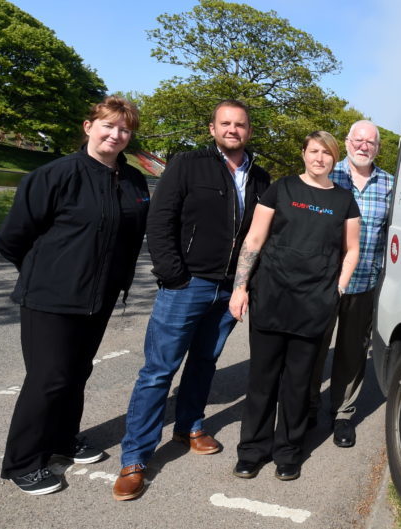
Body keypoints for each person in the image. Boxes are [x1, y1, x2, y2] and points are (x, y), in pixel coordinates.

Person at [113, 100, 271, 500]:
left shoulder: (260, 177)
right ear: (212, 128)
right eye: (226, 123)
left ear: (249, 130)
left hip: (230, 287)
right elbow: (161, 220)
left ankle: (189, 426)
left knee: (204, 362)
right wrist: (174, 276)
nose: (233, 129)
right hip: (188, 284)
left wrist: (245, 283)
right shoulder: (187, 164)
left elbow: (260, 235)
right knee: (159, 370)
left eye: (241, 124)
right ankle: (134, 457)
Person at [0, 96, 150, 495]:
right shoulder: (56, 174)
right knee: (48, 378)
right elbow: (13, 238)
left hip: (98, 297)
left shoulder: (131, 179)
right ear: (88, 127)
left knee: (77, 373)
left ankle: (63, 440)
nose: (116, 135)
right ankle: (22, 461)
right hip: (51, 297)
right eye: (109, 125)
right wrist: (46, 274)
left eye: (124, 129)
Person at [229, 131, 360, 480]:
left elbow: (352, 249)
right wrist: (240, 287)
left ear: (335, 159)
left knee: (299, 383)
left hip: (315, 302)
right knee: (262, 379)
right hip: (271, 295)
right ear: (303, 153)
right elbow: (255, 238)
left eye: (327, 153)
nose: (320, 158)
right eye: (314, 151)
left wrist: (339, 288)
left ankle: (289, 451)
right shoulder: (281, 188)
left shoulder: (345, 200)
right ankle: (253, 450)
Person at [308, 120, 395, 447]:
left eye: (370, 142)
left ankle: (342, 414)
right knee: (313, 348)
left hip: (364, 283)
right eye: (358, 140)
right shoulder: (328, 174)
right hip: (322, 282)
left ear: (377, 147)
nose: (363, 146)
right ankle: (308, 407)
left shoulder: (389, 184)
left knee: (352, 353)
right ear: (346, 142)